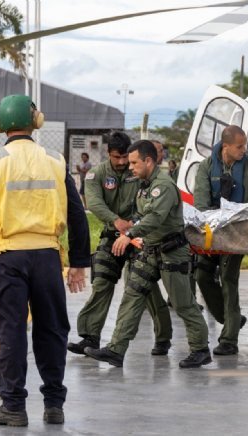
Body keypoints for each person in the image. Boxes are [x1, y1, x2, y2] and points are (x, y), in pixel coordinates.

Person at [0, 94, 91, 426]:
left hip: (9, 257)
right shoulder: (56, 160)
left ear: (0, 124)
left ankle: (13, 406)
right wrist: (79, 262)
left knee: (11, 330)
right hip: (48, 257)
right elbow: (77, 215)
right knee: (52, 329)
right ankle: (54, 404)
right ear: (35, 121)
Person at [84, 140, 211, 368]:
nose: (130, 167)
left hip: (172, 253)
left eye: (134, 162)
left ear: (148, 161)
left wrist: (129, 233)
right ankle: (116, 350)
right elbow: (141, 214)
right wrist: (129, 226)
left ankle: (200, 349)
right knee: (132, 296)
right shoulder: (144, 184)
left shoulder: (162, 185)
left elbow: (155, 218)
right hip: (151, 250)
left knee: (183, 304)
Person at [67, 132, 173, 356]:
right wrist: (116, 221)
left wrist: (134, 225)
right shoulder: (96, 174)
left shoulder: (139, 172)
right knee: (102, 281)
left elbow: (150, 201)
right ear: (108, 154)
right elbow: (94, 202)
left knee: (145, 286)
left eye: (126, 157)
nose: (123, 162)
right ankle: (90, 336)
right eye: (118, 157)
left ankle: (163, 337)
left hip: (139, 234)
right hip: (113, 233)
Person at [193, 125, 248, 355]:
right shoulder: (206, 167)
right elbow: (200, 202)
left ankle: (229, 339)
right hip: (212, 231)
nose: (244, 150)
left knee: (229, 280)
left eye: (245, 145)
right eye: (240, 146)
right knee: (201, 275)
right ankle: (231, 318)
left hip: (238, 232)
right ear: (226, 146)